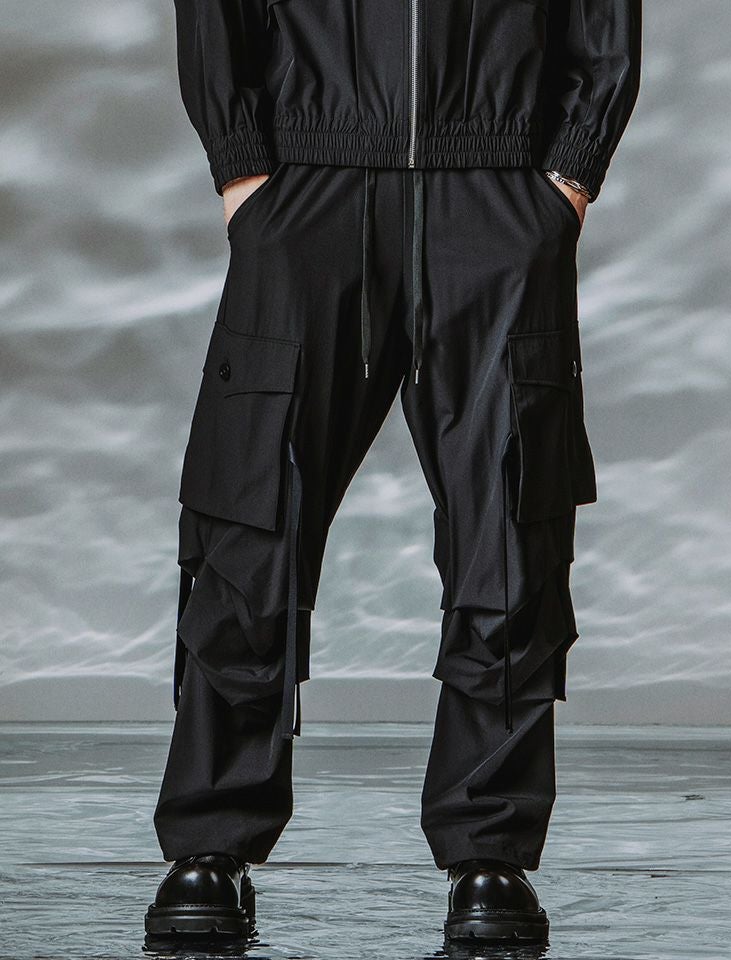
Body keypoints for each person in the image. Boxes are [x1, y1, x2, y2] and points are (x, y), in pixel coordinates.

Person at [144, 0, 642, 945]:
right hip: (307, 179)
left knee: (510, 520)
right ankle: (210, 845)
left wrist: (571, 170)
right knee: (252, 520)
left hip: (495, 184)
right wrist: (242, 163)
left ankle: (489, 853)